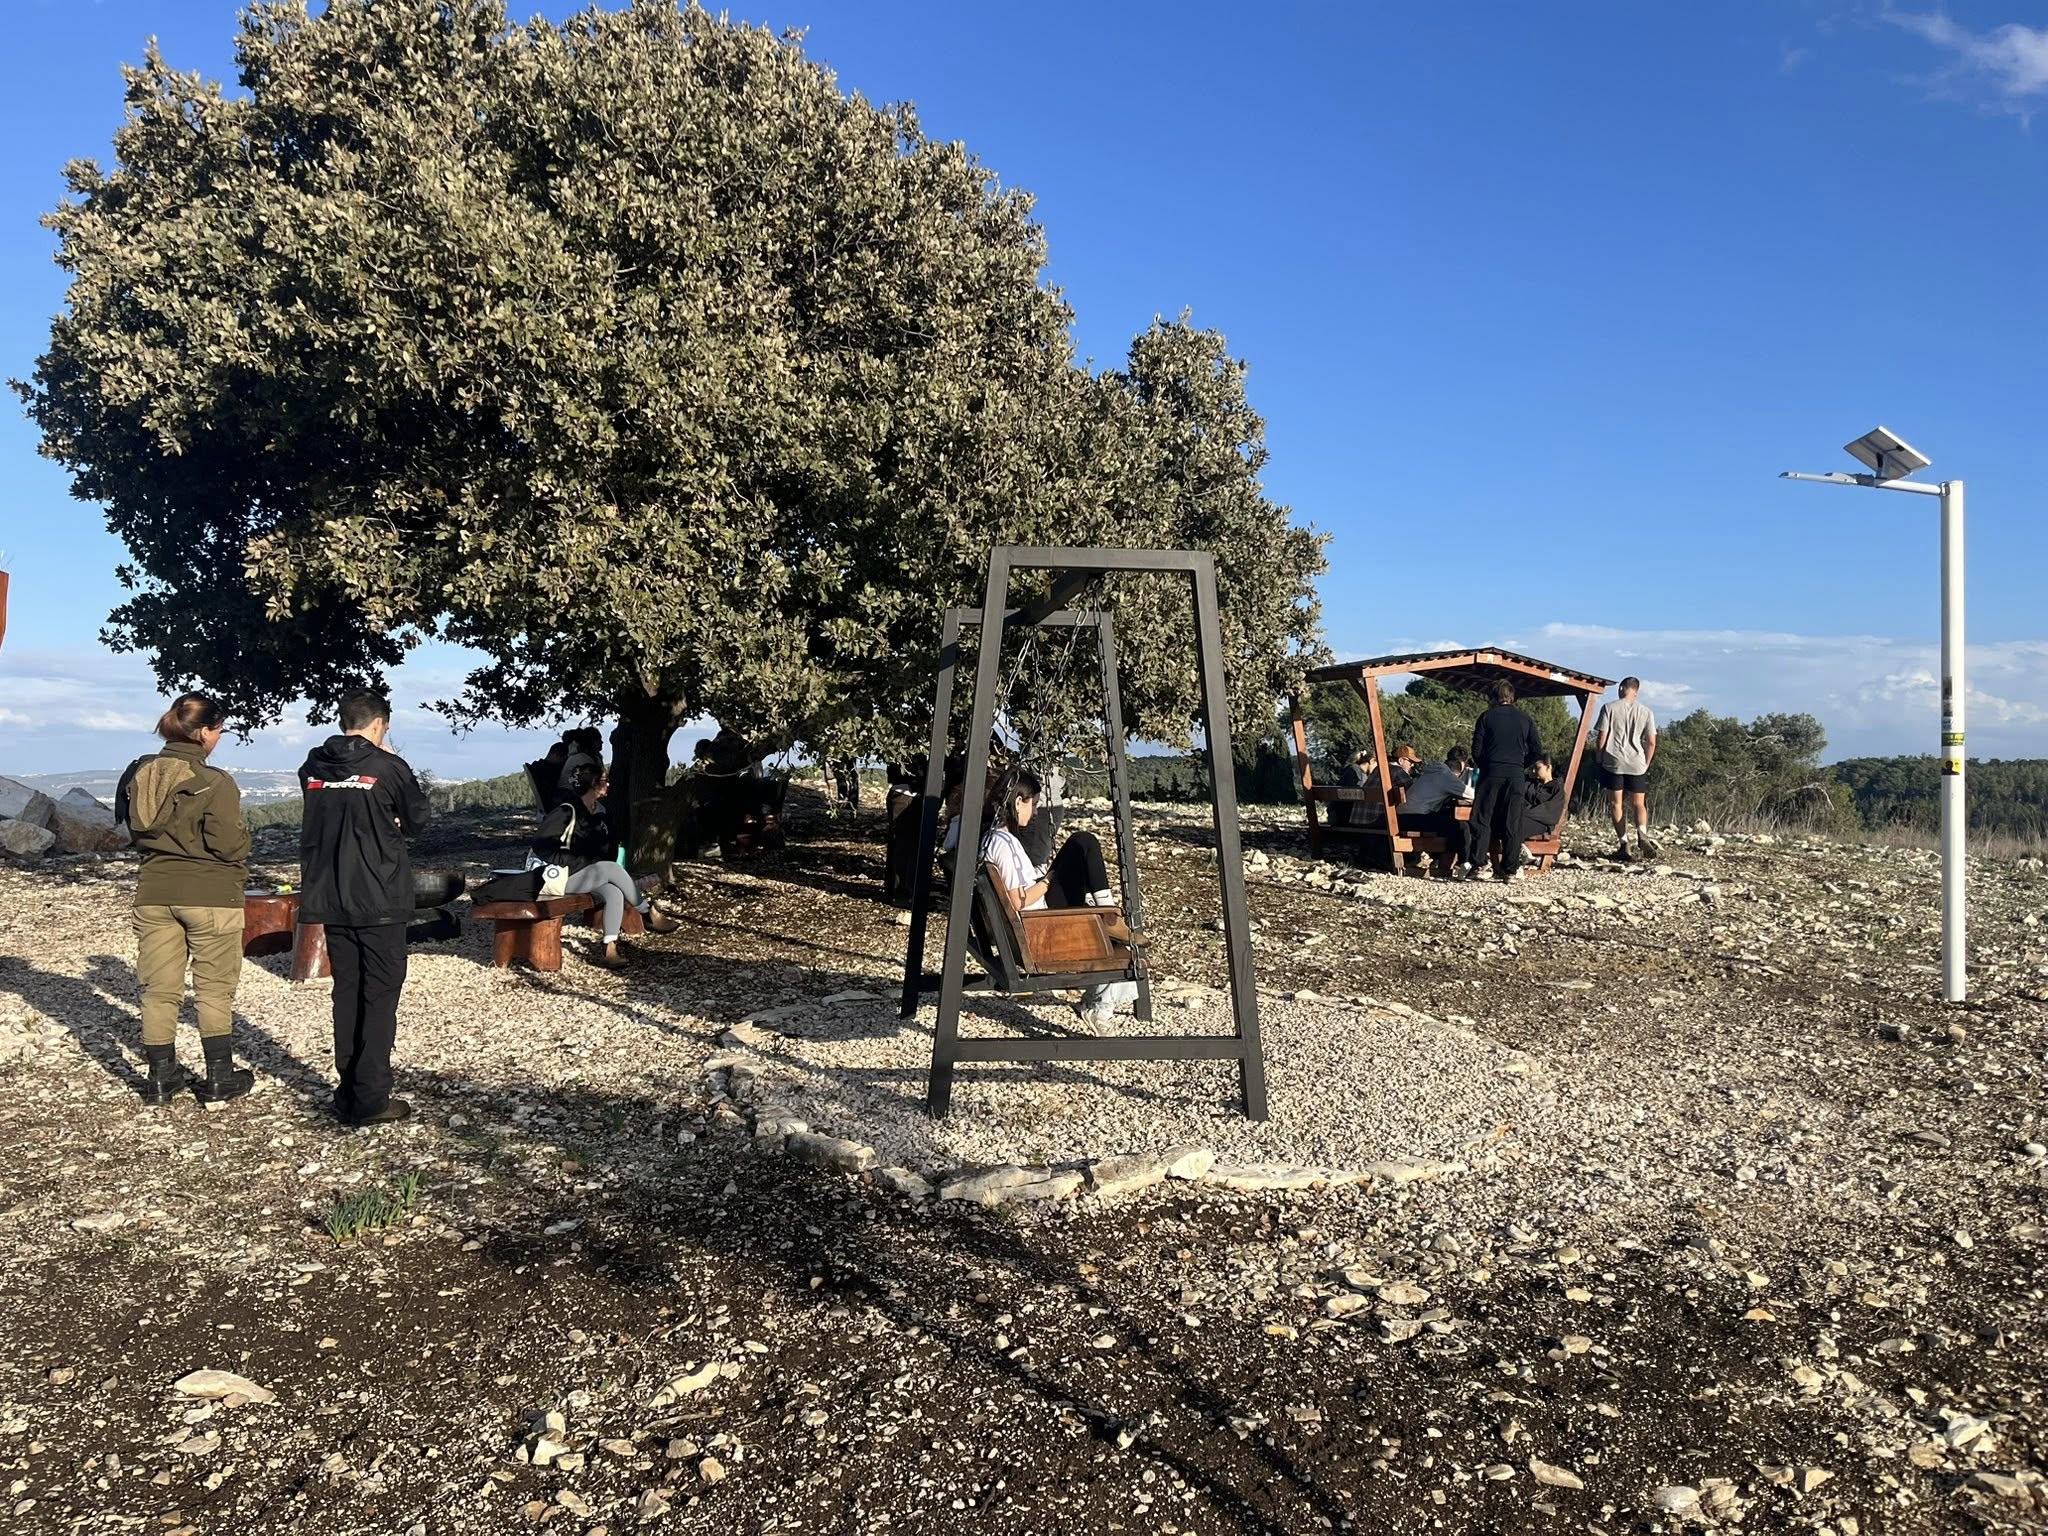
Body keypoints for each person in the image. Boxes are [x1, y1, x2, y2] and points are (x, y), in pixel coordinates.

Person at [298, 691, 430, 1128]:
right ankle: (371, 1098)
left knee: (347, 993)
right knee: (379, 996)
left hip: (332, 894)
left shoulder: (313, 765)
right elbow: (418, 820)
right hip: (379, 897)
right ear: (379, 724)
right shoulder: (388, 767)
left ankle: (348, 1092)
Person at [119, 693, 255, 1106]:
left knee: (158, 989)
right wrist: (246, 840)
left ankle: (161, 1078)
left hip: (154, 891)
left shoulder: (139, 773)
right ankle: (219, 1077)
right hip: (211, 894)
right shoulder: (215, 782)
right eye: (219, 730)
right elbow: (229, 846)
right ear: (203, 733)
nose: (219, 738)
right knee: (213, 989)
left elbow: (134, 833)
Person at [979, 768, 1140, 1028]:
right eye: (1033, 804)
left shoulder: (992, 838)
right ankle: (1109, 916)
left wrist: (1046, 878)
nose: (1035, 812)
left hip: (1036, 920)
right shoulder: (1003, 844)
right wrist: (1048, 881)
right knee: (1084, 842)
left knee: (1080, 844)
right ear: (1018, 802)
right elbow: (1018, 901)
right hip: (1043, 926)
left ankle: (1109, 915)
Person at [532, 762, 678, 968]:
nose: (608, 784)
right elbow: (541, 845)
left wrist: (596, 859)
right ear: (592, 784)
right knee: (610, 868)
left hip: (587, 874)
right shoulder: (565, 811)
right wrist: (575, 862)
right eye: (604, 780)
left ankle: (610, 947)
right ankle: (647, 912)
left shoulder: (599, 813)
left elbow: (606, 849)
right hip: (560, 877)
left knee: (613, 892)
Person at [1462, 679, 1543, 880]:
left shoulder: (1486, 717)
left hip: (1491, 771)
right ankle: (1510, 869)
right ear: (1512, 697)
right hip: (1515, 774)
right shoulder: (1525, 719)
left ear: (1493, 697)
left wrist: (1486, 765)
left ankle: (1479, 864)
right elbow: (1536, 749)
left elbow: (1476, 750)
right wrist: (1520, 765)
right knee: (1512, 821)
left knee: (1482, 818)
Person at [1594, 677, 1659, 860]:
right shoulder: (1646, 712)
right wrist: (1646, 762)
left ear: (1622, 688)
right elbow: (1651, 742)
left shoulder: (1609, 708)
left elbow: (1601, 737)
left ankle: (1624, 843)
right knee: (1638, 803)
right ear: (1636, 691)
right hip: (1637, 762)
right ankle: (1642, 833)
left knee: (1616, 803)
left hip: (1613, 761)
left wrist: (1599, 756)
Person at [1393, 746, 1471, 853]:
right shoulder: (1446, 776)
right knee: (1461, 827)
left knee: (1446, 821)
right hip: (1414, 818)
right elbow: (1471, 794)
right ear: (1461, 765)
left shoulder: (1431, 772)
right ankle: (1462, 860)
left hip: (1401, 817)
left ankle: (1440, 858)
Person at [1518, 753, 1568, 854]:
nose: (1534, 771)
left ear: (1548, 767)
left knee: (1517, 825)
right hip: (1524, 816)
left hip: (1542, 823)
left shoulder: (1556, 788)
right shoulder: (1529, 784)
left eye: (1537, 768)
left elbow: (1550, 812)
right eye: (1533, 768)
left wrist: (1526, 811)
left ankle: (1518, 854)